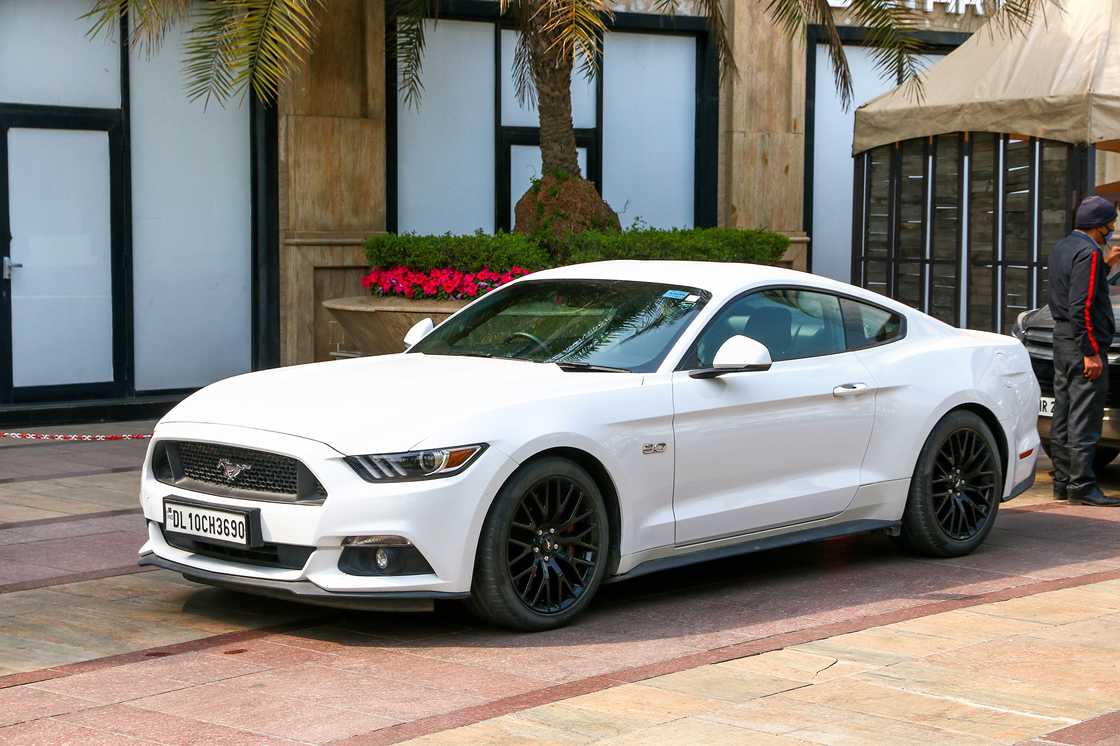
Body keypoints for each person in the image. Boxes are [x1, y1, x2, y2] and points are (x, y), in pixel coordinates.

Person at [1049, 195, 1120, 506]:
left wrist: (1107, 266)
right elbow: (1082, 306)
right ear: (1099, 226)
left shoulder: (1064, 246)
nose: (1113, 229)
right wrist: (1090, 352)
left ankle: (1063, 483)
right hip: (1081, 346)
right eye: (1111, 224)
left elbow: (1072, 290)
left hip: (1062, 342)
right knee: (1084, 419)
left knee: (1063, 414)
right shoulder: (1089, 252)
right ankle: (1083, 487)